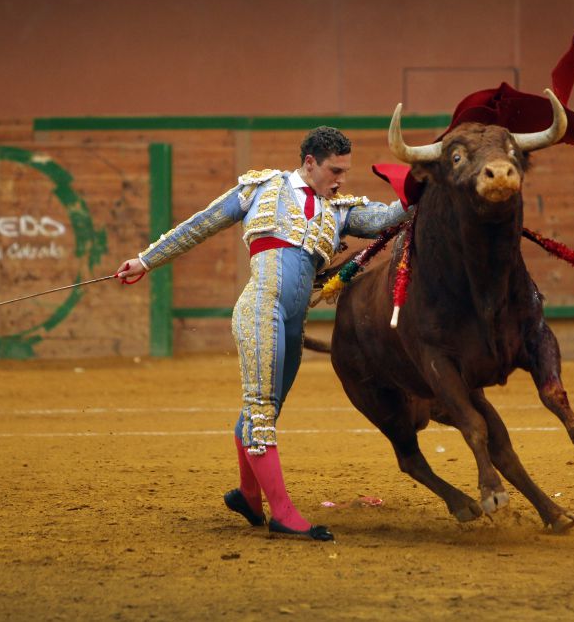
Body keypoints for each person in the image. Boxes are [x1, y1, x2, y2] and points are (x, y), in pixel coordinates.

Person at [117, 126, 410, 541]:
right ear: (310, 163)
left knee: (265, 412)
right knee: (260, 411)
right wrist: (146, 260)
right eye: (335, 171)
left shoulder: (340, 210)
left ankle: (249, 496)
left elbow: (387, 218)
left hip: (293, 324)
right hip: (261, 309)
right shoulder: (261, 188)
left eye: (345, 171)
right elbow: (201, 225)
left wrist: (420, 187)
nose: (341, 180)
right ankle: (283, 514)